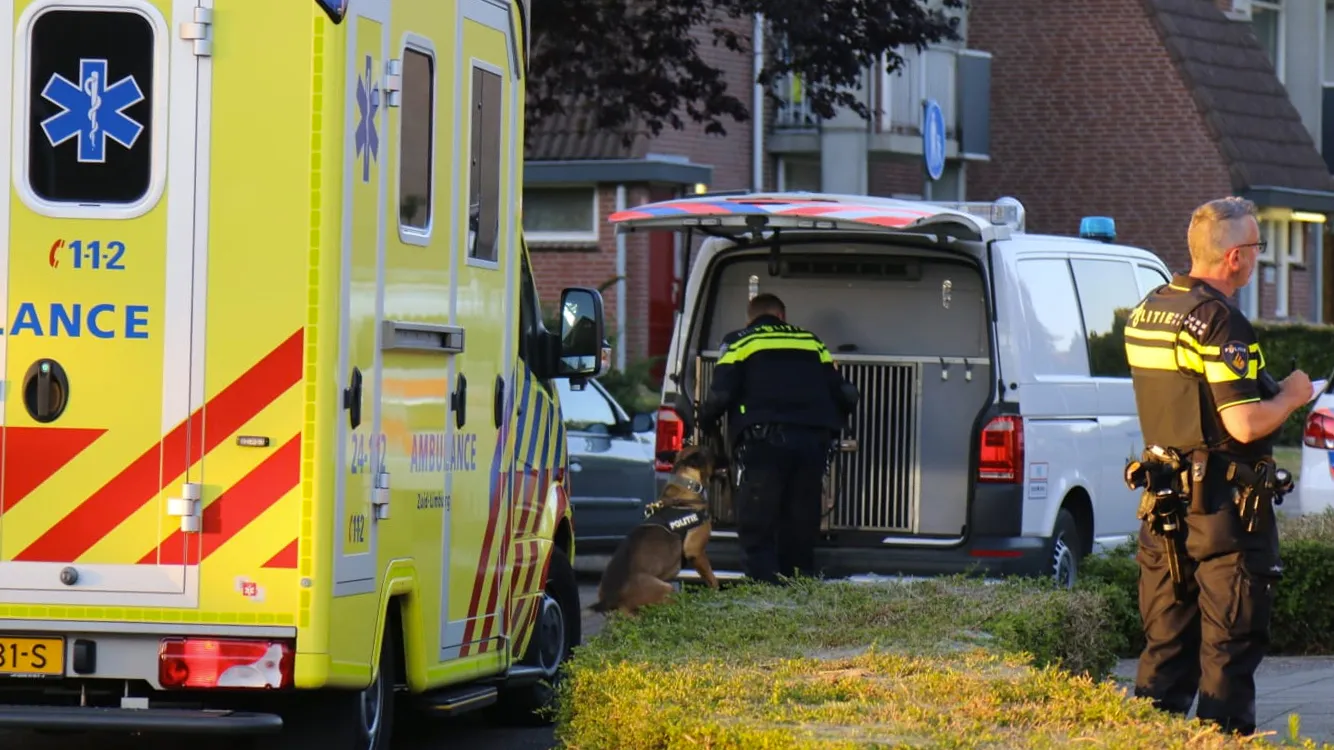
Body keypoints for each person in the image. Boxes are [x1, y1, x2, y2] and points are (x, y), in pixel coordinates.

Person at [1123, 196, 1310, 736]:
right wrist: (1294, 395)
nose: (1258, 258)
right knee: (1228, 649)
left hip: (1164, 509)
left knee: (1165, 648)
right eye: (1257, 247)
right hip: (1224, 514)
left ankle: (1139, 741)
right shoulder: (1220, 320)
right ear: (1235, 258)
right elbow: (1245, 424)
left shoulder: (1150, 309)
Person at [696, 293, 858, 584]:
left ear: (750, 318)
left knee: (758, 518)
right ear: (782, 316)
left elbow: (720, 394)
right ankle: (800, 582)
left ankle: (765, 589)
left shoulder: (741, 341)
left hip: (764, 443)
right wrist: (834, 424)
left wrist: (705, 423)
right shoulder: (811, 341)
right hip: (812, 443)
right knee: (802, 516)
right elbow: (847, 394)